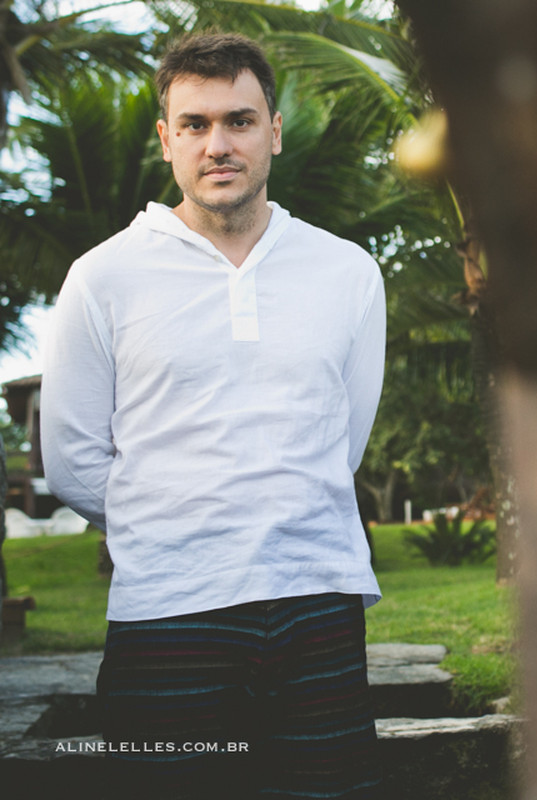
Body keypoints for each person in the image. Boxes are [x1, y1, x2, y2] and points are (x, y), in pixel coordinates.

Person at [39, 32, 386, 799]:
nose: (217, 144)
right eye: (195, 125)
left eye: (239, 120)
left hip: (317, 606)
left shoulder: (348, 273)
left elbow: (342, 442)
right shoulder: (102, 278)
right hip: (170, 611)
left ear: (275, 130)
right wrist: (175, 523)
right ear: (166, 140)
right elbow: (70, 462)